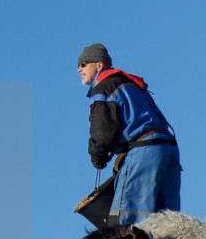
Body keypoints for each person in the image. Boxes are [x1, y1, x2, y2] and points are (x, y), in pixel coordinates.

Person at [77, 43, 180, 225]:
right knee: (166, 224)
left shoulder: (103, 88)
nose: (79, 69)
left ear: (99, 65)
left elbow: (102, 134)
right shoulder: (131, 85)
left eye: (83, 64)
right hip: (169, 152)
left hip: (143, 155)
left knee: (127, 224)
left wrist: (97, 158)